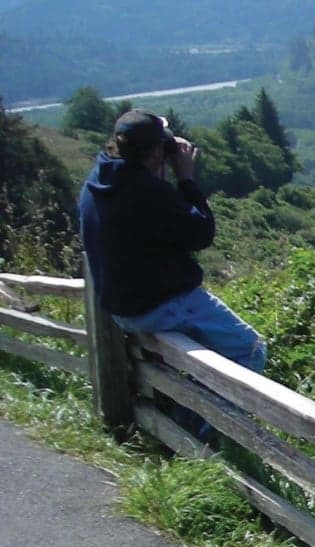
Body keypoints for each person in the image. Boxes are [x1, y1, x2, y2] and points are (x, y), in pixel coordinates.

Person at [77, 110, 266, 374]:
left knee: (203, 358)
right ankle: (208, 416)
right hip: (159, 306)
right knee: (251, 348)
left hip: (123, 309)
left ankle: (189, 409)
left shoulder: (97, 181)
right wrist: (186, 179)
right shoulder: (148, 193)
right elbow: (201, 233)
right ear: (156, 153)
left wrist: (158, 177)